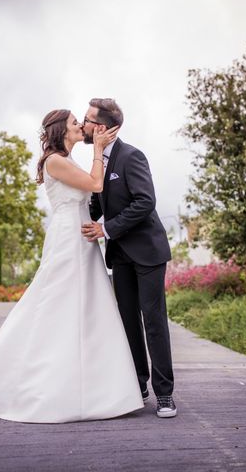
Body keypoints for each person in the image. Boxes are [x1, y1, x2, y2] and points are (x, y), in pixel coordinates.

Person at [0, 109, 143, 423]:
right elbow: (96, 185)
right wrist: (99, 150)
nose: (80, 127)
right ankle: (30, 381)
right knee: (55, 307)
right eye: (75, 123)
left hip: (83, 241)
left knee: (87, 310)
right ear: (61, 130)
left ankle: (95, 389)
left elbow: (91, 195)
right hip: (67, 240)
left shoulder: (68, 160)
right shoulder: (54, 161)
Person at [80, 98, 176, 418]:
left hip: (147, 252)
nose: (83, 124)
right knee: (128, 323)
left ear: (102, 128)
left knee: (154, 323)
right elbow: (98, 206)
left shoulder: (132, 156)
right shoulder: (97, 162)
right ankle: (138, 383)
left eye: (87, 120)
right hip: (120, 255)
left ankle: (164, 394)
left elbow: (145, 201)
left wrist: (107, 229)